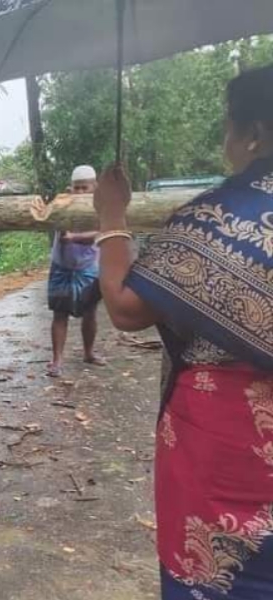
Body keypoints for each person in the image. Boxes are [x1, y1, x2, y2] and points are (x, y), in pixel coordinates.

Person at [93, 65, 273, 600]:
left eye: (227, 125)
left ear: (253, 133)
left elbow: (126, 308)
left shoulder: (216, 218)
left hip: (231, 447)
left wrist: (111, 214)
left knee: (216, 578)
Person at [46, 165, 106, 377]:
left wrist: (73, 237)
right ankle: (57, 361)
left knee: (90, 312)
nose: (80, 192)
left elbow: (99, 233)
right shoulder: (62, 205)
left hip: (89, 266)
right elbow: (57, 226)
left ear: (95, 187)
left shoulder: (100, 207)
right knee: (59, 313)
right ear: (70, 188)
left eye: (84, 187)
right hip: (61, 267)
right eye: (76, 188)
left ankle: (88, 353)